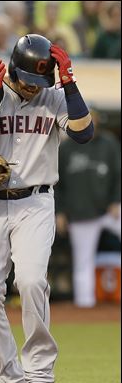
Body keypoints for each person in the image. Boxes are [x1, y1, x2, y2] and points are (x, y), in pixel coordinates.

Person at [0, 34, 94, 383]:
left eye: (41, 81)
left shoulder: (55, 97)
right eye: (26, 80)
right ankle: (9, 380)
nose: (33, 89)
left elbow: (84, 133)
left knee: (32, 281)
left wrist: (69, 83)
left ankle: (39, 377)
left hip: (36, 203)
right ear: (14, 69)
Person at [55, 108, 121, 307]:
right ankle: (85, 309)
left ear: (98, 119)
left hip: (110, 209)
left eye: (92, 116)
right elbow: (57, 183)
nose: (88, 120)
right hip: (80, 213)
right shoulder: (66, 148)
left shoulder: (108, 143)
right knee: (83, 262)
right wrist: (60, 212)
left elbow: (119, 174)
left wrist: (116, 200)